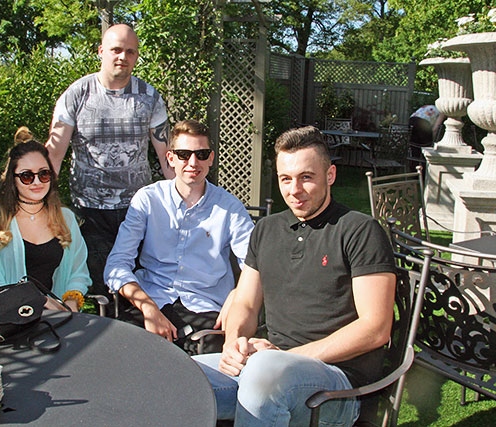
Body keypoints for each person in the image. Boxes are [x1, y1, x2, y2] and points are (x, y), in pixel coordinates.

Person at [193, 126, 397, 426]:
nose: (294, 190)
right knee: (175, 377)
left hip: (337, 385)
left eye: (306, 177)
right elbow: (246, 303)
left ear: (330, 175)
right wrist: (233, 345)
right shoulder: (265, 229)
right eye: (285, 179)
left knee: (265, 379)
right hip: (265, 366)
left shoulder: (359, 231)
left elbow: (376, 327)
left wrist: (288, 358)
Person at [46, 24, 175, 309]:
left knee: (139, 292)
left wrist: (185, 202)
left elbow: (167, 157)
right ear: (101, 51)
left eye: (130, 51)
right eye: (116, 49)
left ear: (136, 56)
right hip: (89, 214)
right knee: (98, 293)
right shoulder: (77, 94)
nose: (122, 57)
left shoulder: (149, 97)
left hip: (138, 212)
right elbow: (54, 155)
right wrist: (46, 205)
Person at [104, 120, 254, 354]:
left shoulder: (230, 208)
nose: (193, 163)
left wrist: (236, 296)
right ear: (170, 158)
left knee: (212, 370)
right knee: (120, 354)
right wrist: (149, 308)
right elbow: (116, 266)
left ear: (211, 158)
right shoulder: (148, 200)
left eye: (201, 154)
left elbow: (254, 267)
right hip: (151, 301)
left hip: (206, 310)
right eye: (184, 154)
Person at [0, 127, 91, 312]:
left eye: (44, 174)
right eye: (27, 176)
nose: (37, 182)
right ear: (13, 179)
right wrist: (38, 300)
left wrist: (71, 302)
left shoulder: (65, 218)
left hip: (55, 321)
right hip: (6, 323)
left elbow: (78, 272)